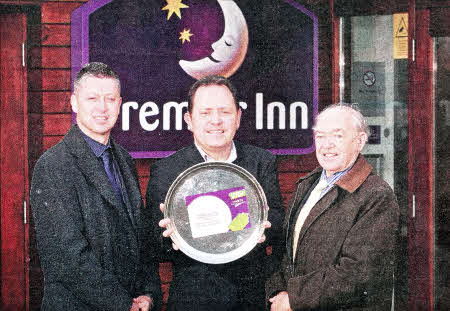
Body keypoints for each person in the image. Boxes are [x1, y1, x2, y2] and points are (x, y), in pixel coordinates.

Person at [144, 75, 284, 310]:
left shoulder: (262, 162)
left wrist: (264, 227)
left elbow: (278, 221)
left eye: (225, 112)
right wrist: (170, 236)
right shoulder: (167, 170)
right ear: (189, 119)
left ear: (238, 117)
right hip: (195, 301)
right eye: (205, 113)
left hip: (249, 300)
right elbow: (153, 243)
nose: (216, 121)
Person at [30, 62, 161, 311]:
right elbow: (68, 257)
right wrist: (124, 305)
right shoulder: (53, 165)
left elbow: (140, 239)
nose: (102, 107)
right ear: (74, 103)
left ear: (119, 104)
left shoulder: (124, 159)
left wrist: (148, 294)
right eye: (92, 98)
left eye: (110, 99)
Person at [266, 105, 400, 310]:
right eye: (320, 136)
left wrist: (294, 298)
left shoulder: (376, 196)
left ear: (360, 141)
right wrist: (278, 291)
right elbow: (283, 250)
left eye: (337, 136)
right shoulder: (306, 185)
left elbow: (356, 273)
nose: (326, 145)